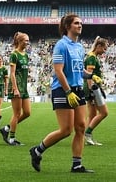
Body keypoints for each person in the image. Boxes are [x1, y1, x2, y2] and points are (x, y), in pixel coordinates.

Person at [29, 13, 95, 173]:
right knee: (66, 130)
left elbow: (78, 70)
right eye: (76, 23)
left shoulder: (79, 47)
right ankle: (37, 150)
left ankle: (77, 164)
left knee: (80, 127)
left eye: (81, 23)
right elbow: (58, 71)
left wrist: (91, 75)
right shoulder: (61, 45)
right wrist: (67, 92)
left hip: (78, 90)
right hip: (63, 90)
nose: (80, 25)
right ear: (67, 27)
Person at [0, 31, 31, 146]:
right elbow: (12, 73)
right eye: (26, 40)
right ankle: (12, 138)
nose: (27, 43)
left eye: (28, 40)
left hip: (23, 87)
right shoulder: (14, 54)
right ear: (19, 41)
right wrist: (15, 88)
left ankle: (7, 128)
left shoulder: (26, 55)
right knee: (17, 113)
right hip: (16, 87)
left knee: (27, 112)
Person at [83, 36, 108, 146]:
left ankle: (86, 137)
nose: (104, 51)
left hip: (93, 88)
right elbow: (89, 75)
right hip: (93, 88)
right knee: (104, 113)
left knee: (92, 114)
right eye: (104, 48)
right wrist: (92, 91)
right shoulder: (92, 58)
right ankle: (87, 134)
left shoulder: (92, 56)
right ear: (98, 46)